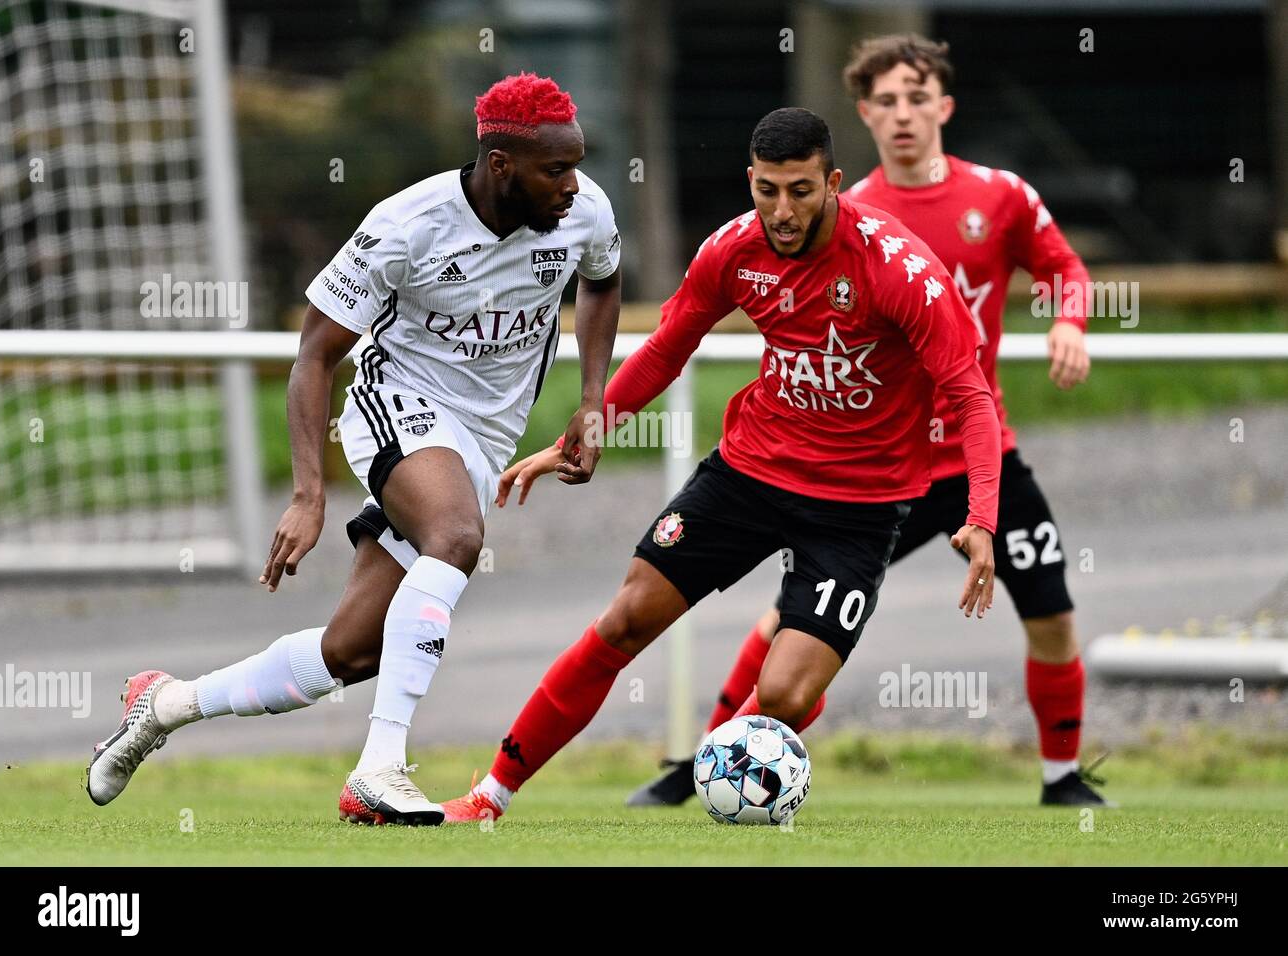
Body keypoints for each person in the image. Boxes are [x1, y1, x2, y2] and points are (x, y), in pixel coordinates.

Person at [84, 73, 622, 826]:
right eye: (555, 169)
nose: (573, 185)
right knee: (457, 536)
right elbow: (313, 356)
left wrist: (594, 396)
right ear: (501, 165)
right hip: (397, 403)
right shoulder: (407, 226)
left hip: (484, 436)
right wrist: (308, 494)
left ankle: (166, 705)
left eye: (576, 164)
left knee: (352, 652)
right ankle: (380, 769)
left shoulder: (584, 210)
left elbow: (601, 281)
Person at [439, 106, 1001, 824]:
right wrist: (586, 429)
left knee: (788, 696)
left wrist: (980, 517)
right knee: (624, 621)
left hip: (860, 506)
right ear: (751, 181)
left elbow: (970, 397)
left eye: (801, 190)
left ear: (833, 182)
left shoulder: (900, 272)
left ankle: (747, 732)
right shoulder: (734, 250)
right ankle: (489, 797)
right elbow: (669, 347)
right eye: (768, 190)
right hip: (750, 475)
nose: (783, 210)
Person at [629, 34, 1105, 810]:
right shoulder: (843, 215)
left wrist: (1072, 321)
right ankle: (706, 763)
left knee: (1051, 608)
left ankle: (1063, 780)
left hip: (982, 454)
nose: (904, 114)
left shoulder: (1003, 196)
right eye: (886, 101)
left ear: (945, 106)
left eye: (918, 97)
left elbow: (1064, 270)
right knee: (787, 619)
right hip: (885, 467)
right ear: (864, 115)